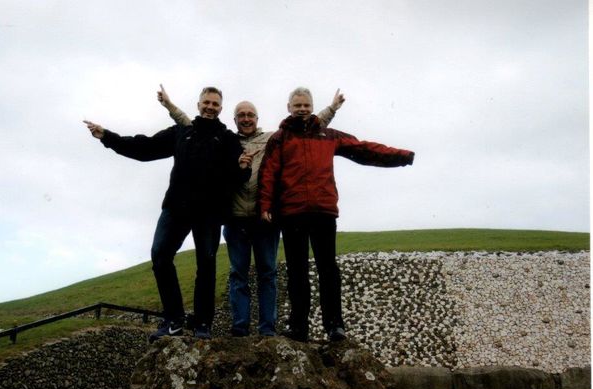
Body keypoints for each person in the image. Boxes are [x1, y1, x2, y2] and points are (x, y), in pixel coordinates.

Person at [158, 85, 345, 337]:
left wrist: (332, 108)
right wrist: (169, 105)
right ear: (234, 119)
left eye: (251, 115)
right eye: (241, 115)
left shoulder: (272, 138)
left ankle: (267, 329)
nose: (246, 118)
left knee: (268, 274)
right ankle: (240, 327)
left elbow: (307, 124)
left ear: (257, 119)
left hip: (265, 219)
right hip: (235, 220)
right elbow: (191, 124)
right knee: (238, 275)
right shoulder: (226, 140)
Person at [83, 86, 251, 341]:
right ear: (198, 105)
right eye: (206, 102)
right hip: (176, 207)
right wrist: (107, 137)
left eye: (215, 104)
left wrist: (242, 168)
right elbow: (145, 148)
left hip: (209, 213)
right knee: (160, 255)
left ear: (221, 109)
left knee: (206, 265)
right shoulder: (182, 132)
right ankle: (173, 319)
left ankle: (202, 324)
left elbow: (237, 176)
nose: (210, 107)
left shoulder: (227, 139)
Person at [259, 87, 415, 342]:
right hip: (292, 213)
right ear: (289, 107)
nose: (302, 109)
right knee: (297, 272)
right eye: (297, 105)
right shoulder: (280, 138)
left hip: (323, 211)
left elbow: (363, 149)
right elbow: (269, 172)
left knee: (328, 270)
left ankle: (335, 326)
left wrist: (402, 157)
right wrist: (265, 205)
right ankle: (299, 327)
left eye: (306, 105)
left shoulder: (328, 135)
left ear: (312, 106)